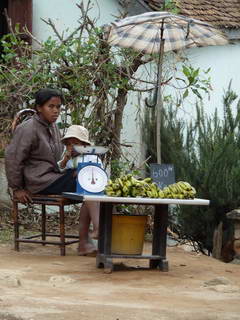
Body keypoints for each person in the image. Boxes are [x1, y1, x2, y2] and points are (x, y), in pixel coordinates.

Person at [5, 88, 98, 256]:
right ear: (39, 108)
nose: (56, 111)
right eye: (51, 106)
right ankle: (88, 238)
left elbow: (57, 157)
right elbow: (13, 158)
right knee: (89, 181)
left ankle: (87, 240)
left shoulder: (53, 127)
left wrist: (74, 155)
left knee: (91, 180)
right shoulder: (27, 129)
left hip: (53, 176)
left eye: (58, 107)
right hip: (38, 181)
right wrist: (17, 188)